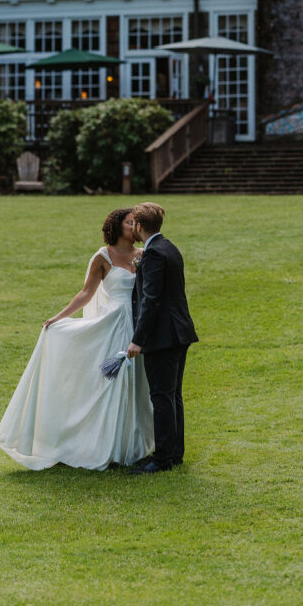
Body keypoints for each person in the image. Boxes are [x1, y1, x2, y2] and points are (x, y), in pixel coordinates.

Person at [0, 208, 154, 470]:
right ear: (116, 226)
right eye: (128, 221)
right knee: (111, 384)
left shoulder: (143, 256)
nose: (134, 225)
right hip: (111, 325)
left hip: (137, 325)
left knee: (136, 382)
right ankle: (104, 446)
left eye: (135, 222)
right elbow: (85, 294)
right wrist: (58, 318)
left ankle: (130, 447)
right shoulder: (103, 257)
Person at [126, 201, 198, 474]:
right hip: (179, 333)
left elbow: (151, 301)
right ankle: (174, 453)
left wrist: (137, 339)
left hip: (163, 336)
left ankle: (163, 459)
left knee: (162, 397)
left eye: (133, 223)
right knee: (172, 396)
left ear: (140, 226)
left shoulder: (154, 253)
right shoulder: (168, 247)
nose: (131, 228)